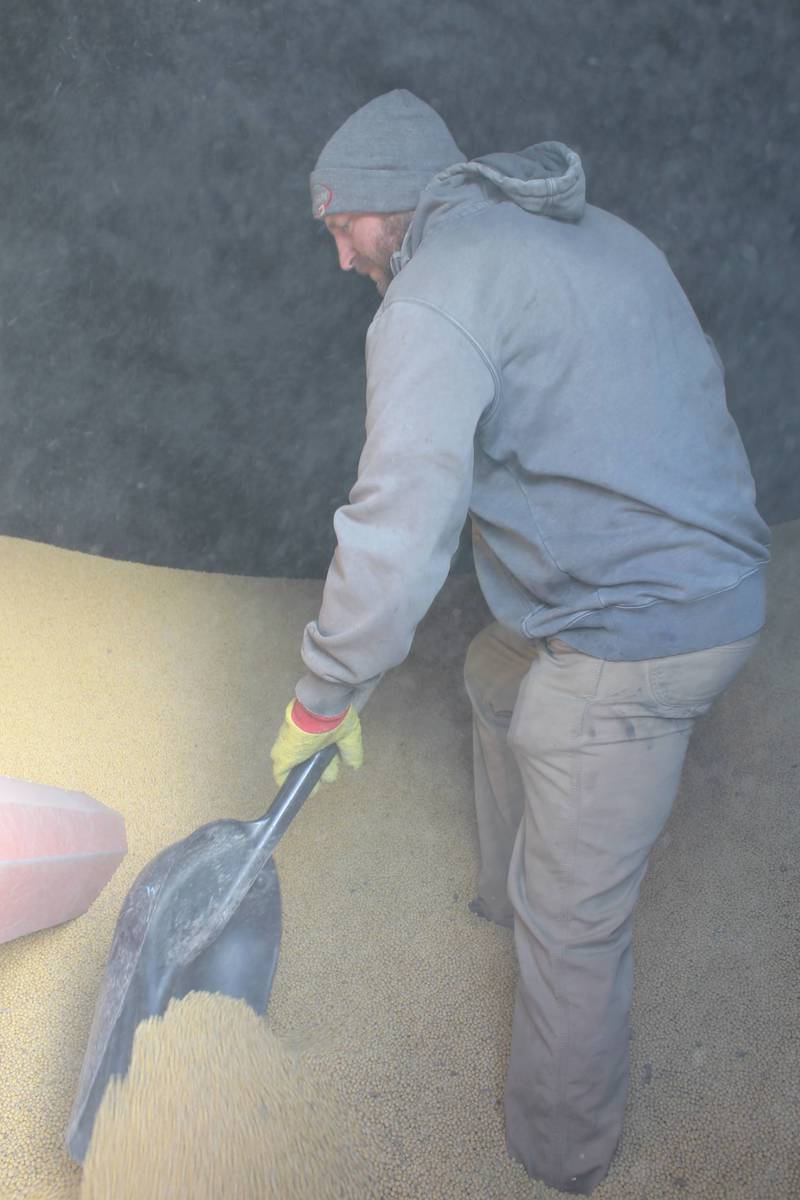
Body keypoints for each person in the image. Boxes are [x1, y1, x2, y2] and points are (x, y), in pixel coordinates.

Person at [269, 88, 771, 1195]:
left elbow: (396, 528)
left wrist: (321, 696)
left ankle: (558, 1159)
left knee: (574, 918)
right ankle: (499, 892)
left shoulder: (432, 299)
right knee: (495, 676)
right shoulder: (593, 236)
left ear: (385, 207)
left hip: (644, 627)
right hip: (708, 576)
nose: (340, 257)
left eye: (337, 226)